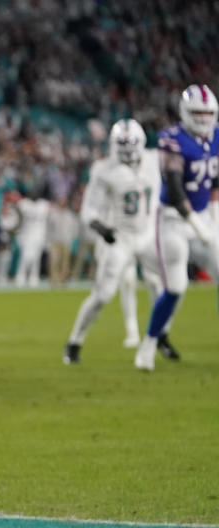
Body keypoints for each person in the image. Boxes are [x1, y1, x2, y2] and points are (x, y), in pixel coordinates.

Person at [63, 119, 164, 364]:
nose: (127, 151)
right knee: (103, 295)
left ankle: (159, 337)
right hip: (120, 237)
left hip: (148, 234)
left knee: (167, 286)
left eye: (131, 145)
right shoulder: (104, 170)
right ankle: (75, 340)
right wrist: (103, 229)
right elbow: (88, 212)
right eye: (122, 145)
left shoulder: (154, 160)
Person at [135, 85, 219, 371]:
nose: (204, 118)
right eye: (197, 113)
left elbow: (215, 179)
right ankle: (148, 344)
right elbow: (173, 185)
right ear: (185, 112)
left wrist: (214, 213)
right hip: (172, 219)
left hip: (204, 215)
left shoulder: (217, 135)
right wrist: (195, 222)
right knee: (176, 287)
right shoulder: (172, 139)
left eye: (207, 113)